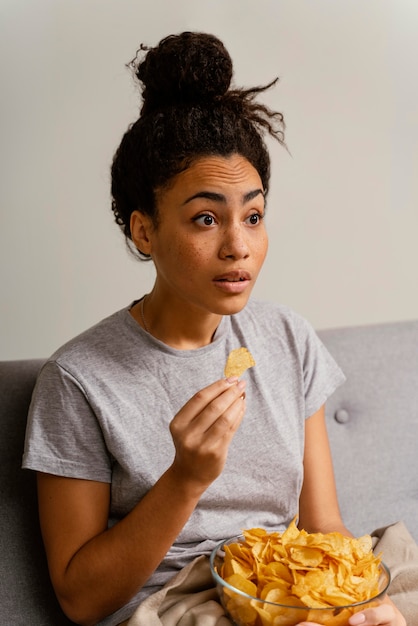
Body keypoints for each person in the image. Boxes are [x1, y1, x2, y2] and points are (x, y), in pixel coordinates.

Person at [23, 32, 406, 626]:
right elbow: (79, 598)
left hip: (284, 588)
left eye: (253, 216)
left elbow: (324, 525)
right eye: (206, 218)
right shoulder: (78, 379)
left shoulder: (287, 337)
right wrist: (186, 479)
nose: (239, 246)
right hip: (176, 606)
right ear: (143, 232)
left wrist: (360, 604)